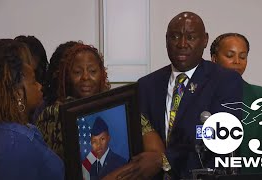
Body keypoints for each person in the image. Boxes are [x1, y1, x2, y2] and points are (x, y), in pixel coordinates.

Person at [137, 12, 243, 179]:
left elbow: (219, 136)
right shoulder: (146, 85)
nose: (182, 44)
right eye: (174, 37)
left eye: (191, 37)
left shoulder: (226, 81)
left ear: (205, 40)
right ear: (166, 40)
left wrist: (164, 160)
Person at [35, 42, 165, 177]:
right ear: (67, 76)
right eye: (77, 72)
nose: (85, 77)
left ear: (102, 74)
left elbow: (156, 152)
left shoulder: (122, 105)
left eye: (92, 71)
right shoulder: (51, 115)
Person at [210, 32, 262, 174]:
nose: (237, 61)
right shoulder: (198, 96)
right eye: (230, 56)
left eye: (243, 56)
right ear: (214, 59)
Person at [0, 39, 64, 180]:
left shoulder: (20, 132)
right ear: (19, 94)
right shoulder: (16, 144)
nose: (39, 86)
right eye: (33, 82)